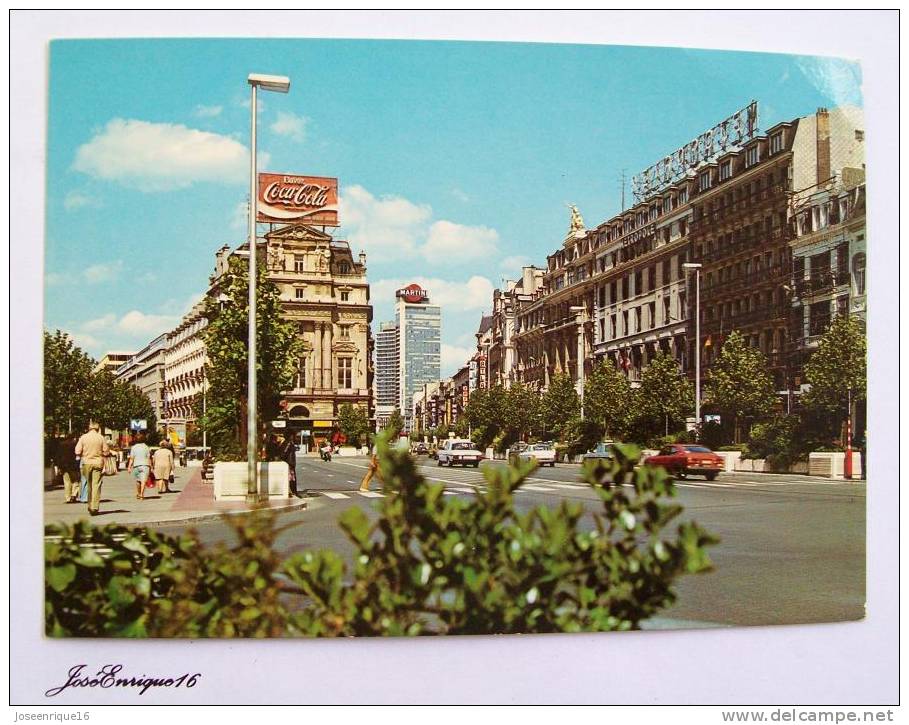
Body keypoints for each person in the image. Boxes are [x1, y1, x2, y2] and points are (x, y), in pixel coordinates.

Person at [74, 422, 110, 516]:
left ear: (89, 428)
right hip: (98, 463)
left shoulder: (83, 437)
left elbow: (77, 450)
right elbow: (106, 451)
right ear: (98, 428)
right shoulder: (101, 437)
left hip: (86, 463)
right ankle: (94, 507)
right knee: (96, 485)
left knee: (89, 484)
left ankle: (90, 505)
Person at [55, 435, 81, 503]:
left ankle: (68, 498)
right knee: (76, 480)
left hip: (64, 466)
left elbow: (58, 456)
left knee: (67, 481)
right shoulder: (75, 444)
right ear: (73, 437)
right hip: (73, 465)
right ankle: (74, 494)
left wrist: (59, 466)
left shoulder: (61, 444)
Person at [128, 432, 152, 501]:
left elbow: (132, 458)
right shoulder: (146, 447)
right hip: (145, 465)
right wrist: (151, 467)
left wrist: (129, 467)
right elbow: (148, 458)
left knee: (138, 480)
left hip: (136, 465)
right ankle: (142, 494)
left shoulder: (133, 447)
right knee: (143, 480)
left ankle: (138, 493)